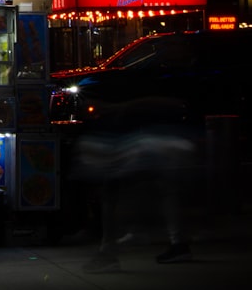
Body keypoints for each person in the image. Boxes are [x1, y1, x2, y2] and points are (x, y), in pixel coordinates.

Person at [75, 94, 199, 273]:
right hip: (154, 135)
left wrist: (119, 107)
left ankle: (112, 249)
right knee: (163, 189)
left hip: (145, 137)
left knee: (115, 189)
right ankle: (173, 242)